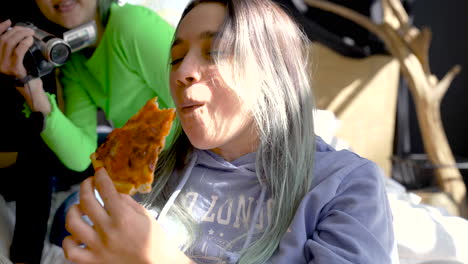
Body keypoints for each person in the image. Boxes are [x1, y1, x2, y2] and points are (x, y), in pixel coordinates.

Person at [62, 0, 397, 263]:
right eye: (176, 59)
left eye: (216, 51)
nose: (184, 73)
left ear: (274, 68)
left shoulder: (345, 185)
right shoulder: (153, 175)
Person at [0, 0, 175, 263]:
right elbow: (81, 155)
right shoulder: (74, 63)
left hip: (181, 169)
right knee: (67, 226)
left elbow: (195, 103)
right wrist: (31, 87)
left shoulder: (131, 26)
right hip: (148, 176)